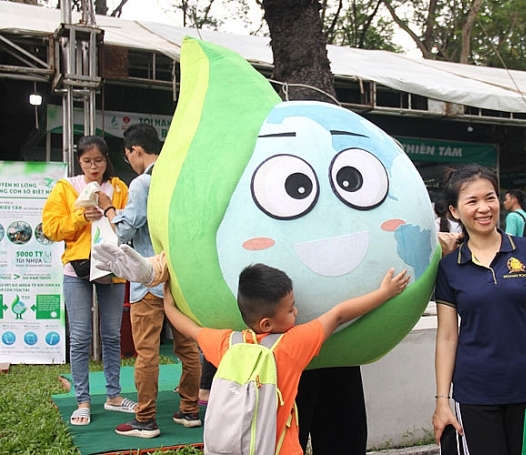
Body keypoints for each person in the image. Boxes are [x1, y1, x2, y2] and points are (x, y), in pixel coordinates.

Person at [162, 263, 409, 455]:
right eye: (291, 309)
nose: (296, 311)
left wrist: (168, 302)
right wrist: (385, 293)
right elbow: (339, 315)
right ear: (267, 323)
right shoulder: (290, 346)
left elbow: (190, 328)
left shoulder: (228, 344)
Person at [431, 165, 526, 455]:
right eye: (472, 201)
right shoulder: (448, 267)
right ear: (455, 211)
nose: (484, 208)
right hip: (475, 393)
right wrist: (442, 400)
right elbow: (446, 337)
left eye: (490, 197)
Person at [97, 123, 201, 438]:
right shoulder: (181, 178)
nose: (129, 161)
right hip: (180, 280)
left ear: (136, 150)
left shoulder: (143, 183)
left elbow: (125, 230)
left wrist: (109, 210)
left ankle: (145, 419)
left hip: (149, 280)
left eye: (128, 156)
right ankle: (190, 410)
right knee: (188, 349)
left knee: (147, 352)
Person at [42, 135, 134, 426]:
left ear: (107, 159)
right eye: (87, 161)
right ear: (78, 161)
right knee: (80, 337)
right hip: (77, 270)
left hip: (112, 268)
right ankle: (82, 400)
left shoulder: (119, 188)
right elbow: (51, 228)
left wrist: (109, 212)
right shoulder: (66, 187)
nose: (93, 167)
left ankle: (114, 396)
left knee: (111, 334)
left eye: (98, 160)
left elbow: (129, 226)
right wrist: (81, 217)